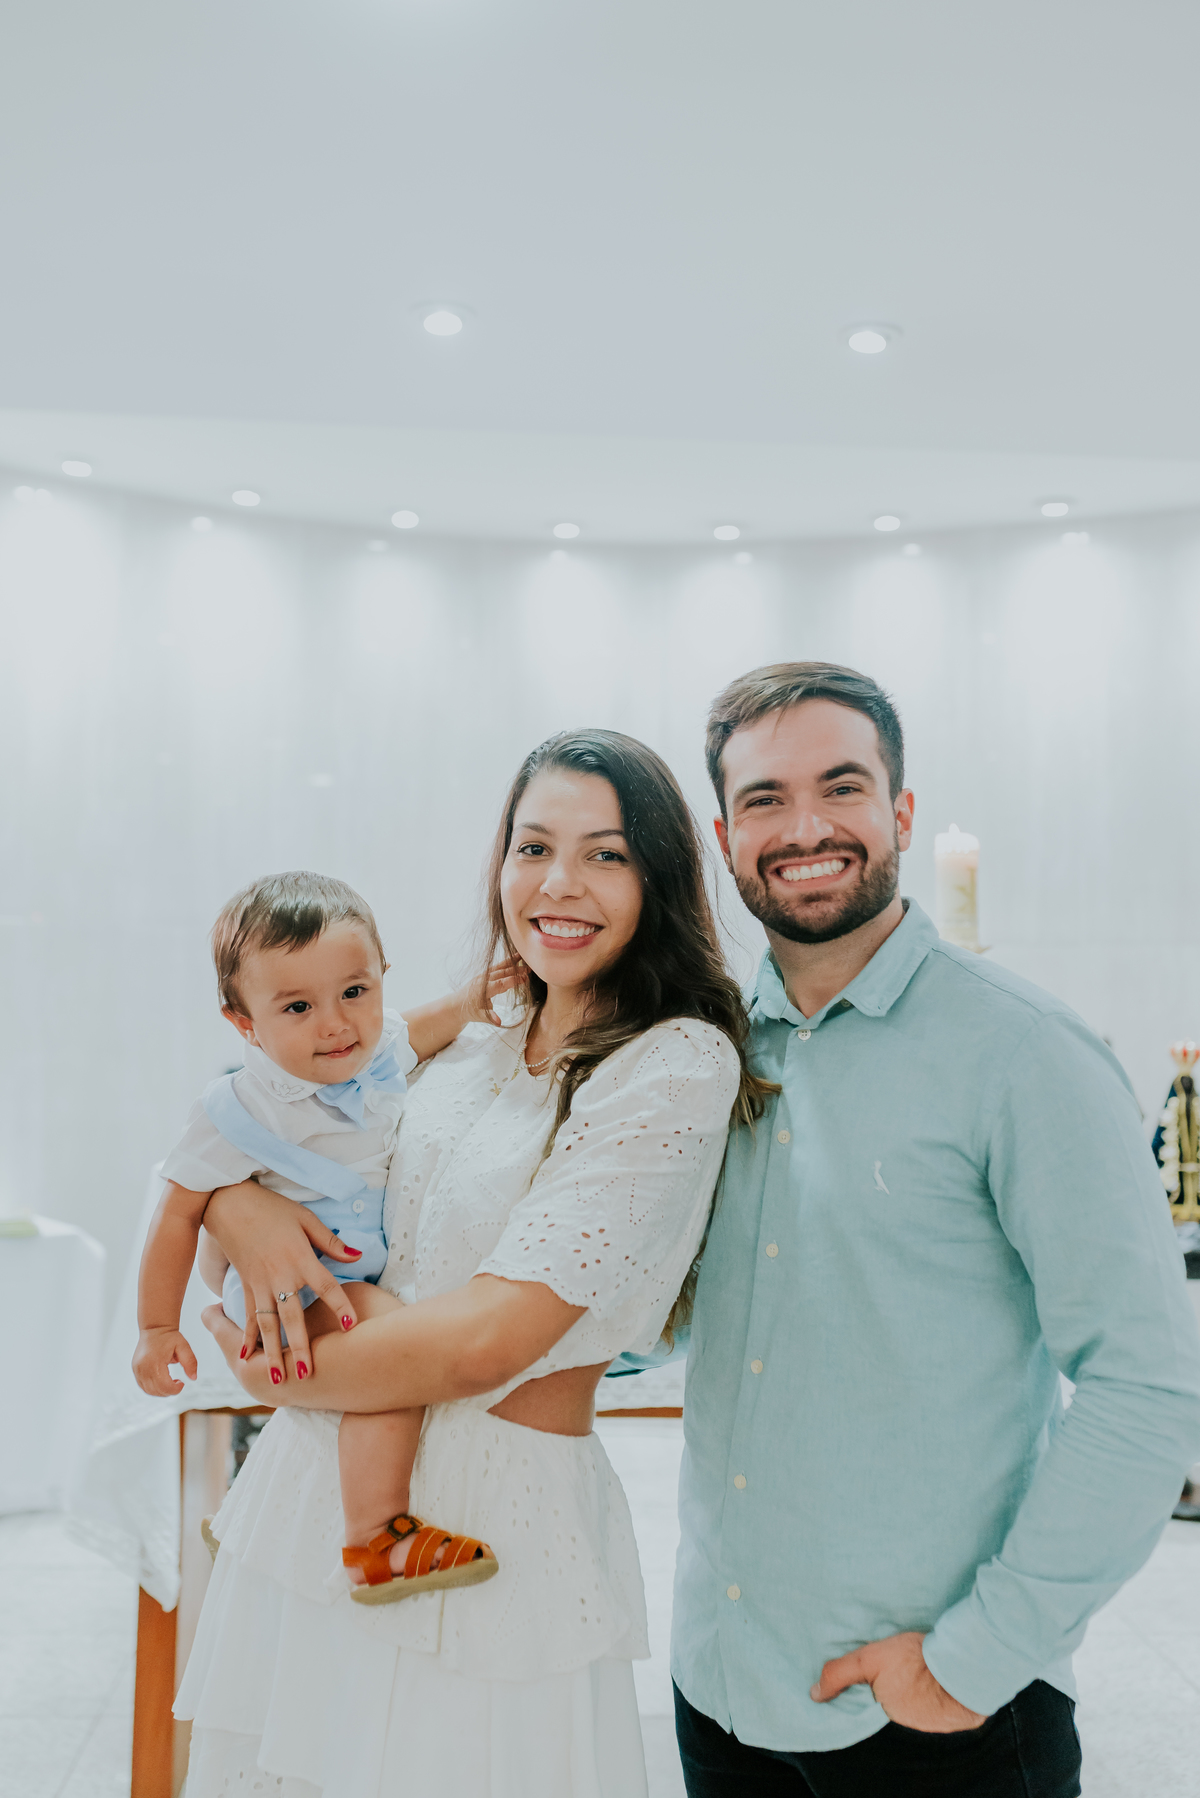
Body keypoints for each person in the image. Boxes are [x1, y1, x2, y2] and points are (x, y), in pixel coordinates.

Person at [175, 728, 769, 1797]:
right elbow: (272, 1118)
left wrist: (267, 1371)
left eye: (606, 854)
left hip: (490, 1518)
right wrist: (240, 1204)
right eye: (532, 846)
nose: (558, 883)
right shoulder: (478, 1028)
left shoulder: (675, 1058)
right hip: (317, 1490)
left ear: (661, 879)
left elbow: (488, 1341)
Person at [670, 661, 1200, 1798]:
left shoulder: (1024, 1053)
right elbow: (645, 1306)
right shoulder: (704, 1053)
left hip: (943, 1724)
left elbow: (1149, 1385)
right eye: (764, 799)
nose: (803, 826)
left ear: (900, 813)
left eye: (842, 786)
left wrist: (973, 1662)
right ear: (724, 834)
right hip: (723, 1693)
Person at [133, 869, 518, 1599]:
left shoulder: (375, 1056)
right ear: (243, 1022)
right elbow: (176, 1213)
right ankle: (375, 1537)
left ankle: (269, 1512)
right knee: (396, 1359)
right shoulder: (238, 1108)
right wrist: (156, 1327)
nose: (336, 1023)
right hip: (291, 1283)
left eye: (354, 992)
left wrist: (479, 995)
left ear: (381, 978)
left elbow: (432, 1022)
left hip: (351, 1269)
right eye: (298, 1006)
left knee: (366, 1376)